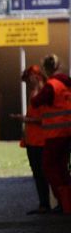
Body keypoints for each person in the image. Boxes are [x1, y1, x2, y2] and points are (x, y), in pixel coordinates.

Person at [30, 54, 71, 214]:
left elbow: (35, 102)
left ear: (46, 69)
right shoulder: (67, 83)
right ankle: (66, 204)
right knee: (62, 168)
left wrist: (34, 88)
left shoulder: (51, 86)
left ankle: (64, 203)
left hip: (56, 134)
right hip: (67, 132)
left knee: (49, 168)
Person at [13, 65, 53, 214]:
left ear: (36, 78)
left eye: (28, 81)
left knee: (44, 173)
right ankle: (44, 203)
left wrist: (25, 120)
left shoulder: (43, 95)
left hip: (41, 141)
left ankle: (49, 204)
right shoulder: (34, 95)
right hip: (33, 141)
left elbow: (44, 119)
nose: (27, 85)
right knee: (37, 173)